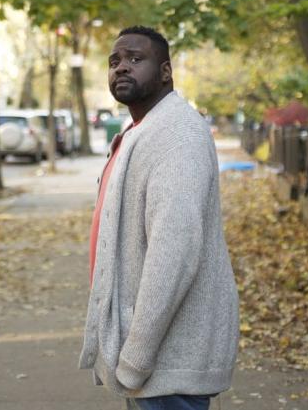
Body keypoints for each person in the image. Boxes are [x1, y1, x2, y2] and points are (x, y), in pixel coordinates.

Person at [79, 26, 239, 410]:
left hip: (167, 361)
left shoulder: (178, 135)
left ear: (166, 71)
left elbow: (174, 252)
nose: (121, 67)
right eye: (115, 61)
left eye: (135, 59)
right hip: (153, 357)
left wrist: (136, 357)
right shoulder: (142, 130)